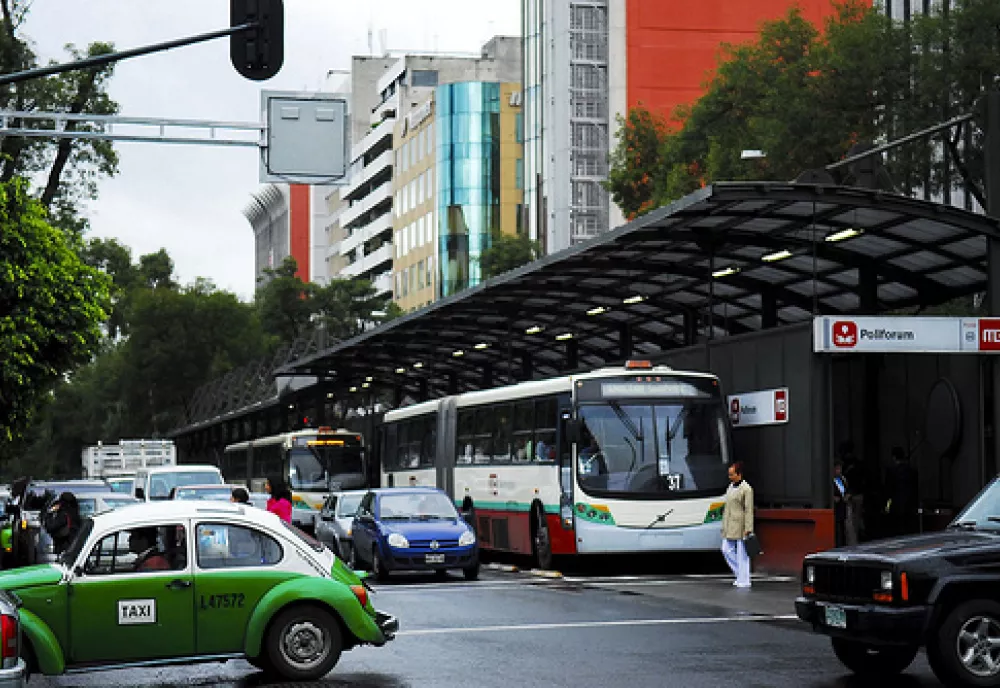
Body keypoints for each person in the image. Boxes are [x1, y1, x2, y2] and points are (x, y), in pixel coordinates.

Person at [721, 461, 754, 589]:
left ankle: (744, 579)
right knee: (726, 549)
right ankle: (740, 574)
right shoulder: (730, 487)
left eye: (732, 474)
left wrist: (748, 527)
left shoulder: (746, 489)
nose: (730, 477)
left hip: (741, 524)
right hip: (730, 523)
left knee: (742, 553)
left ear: (739, 474)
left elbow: (748, 509)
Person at [884, 446, 919, 537]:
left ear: (894, 457)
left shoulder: (891, 472)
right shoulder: (912, 471)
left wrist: (887, 506)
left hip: (896, 505)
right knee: (910, 531)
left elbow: (888, 490)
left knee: (896, 531)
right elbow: (915, 490)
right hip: (910, 505)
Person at [833, 461, 850, 547]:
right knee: (837, 529)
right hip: (835, 508)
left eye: (840, 469)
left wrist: (847, 496)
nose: (839, 471)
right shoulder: (831, 480)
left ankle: (843, 545)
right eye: (837, 469)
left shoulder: (843, 479)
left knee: (843, 528)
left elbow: (848, 490)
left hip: (843, 506)